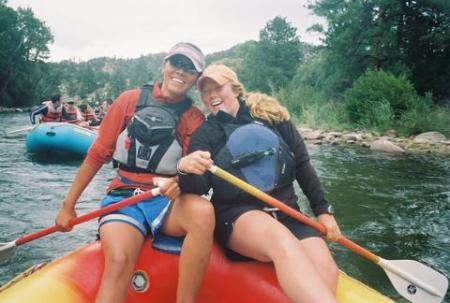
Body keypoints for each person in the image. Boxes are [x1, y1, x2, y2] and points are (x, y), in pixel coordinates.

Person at [55, 42, 215, 303]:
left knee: (203, 212)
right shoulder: (129, 101)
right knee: (118, 261)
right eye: (176, 63)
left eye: (189, 69)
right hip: (124, 197)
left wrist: (179, 181)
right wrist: (68, 205)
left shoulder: (194, 118)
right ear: (165, 65)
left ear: (196, 78)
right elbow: (97, 155)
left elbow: (196, 174)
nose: (180, 72)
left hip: (167, 202)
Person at [177, 64, 341, 303]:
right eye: (205, 91)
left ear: (234, 88)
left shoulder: (272, 117)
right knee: (281, 242)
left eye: (218, 87)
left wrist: (323, 211)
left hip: (287, 211)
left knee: (326, 270)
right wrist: (187, 169)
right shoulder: (206, 133)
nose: (211, 95)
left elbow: (303, 164)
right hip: (238, 214)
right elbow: (198, 188)